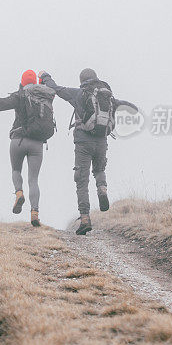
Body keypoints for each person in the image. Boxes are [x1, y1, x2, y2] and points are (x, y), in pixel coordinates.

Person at [38, 68, 137, 235]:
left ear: (82, 80)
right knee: (99, 170)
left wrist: (45, 76)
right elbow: (130, 107)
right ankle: (102, 188)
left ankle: (85, 219)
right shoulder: (108, 96)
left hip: (83, 142)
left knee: (81, 181)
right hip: (101, 141)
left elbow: (56, 88)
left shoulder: (79, 93)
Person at [0, 69, 56, 227]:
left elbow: (0, 104)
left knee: (16, 171)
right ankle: (35, 213)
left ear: (22, 82)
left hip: (18, 140)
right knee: (33, 179)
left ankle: (19, 193)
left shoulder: (19, 95)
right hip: (37, 143)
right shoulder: (46, 96)